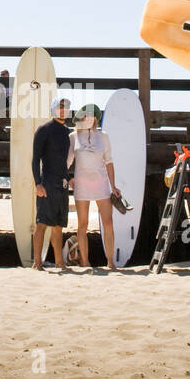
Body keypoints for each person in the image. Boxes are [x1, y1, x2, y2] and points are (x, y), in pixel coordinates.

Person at [68, 104, 121, 270]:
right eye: (86, 116)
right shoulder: (73, 137)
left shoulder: (103, 136)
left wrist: (113, 185)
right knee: (82, 225)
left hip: (101, 183)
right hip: (81, 184)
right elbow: (67, 162)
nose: (90, 119)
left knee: (108, 223)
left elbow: (109, 161)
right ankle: (85, 261)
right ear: (81, 118)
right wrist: (68, 178)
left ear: (96, 118)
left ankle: (110, 261)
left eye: (92, 116)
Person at [31, 98, 71, 270]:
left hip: (62, 185)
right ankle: (37, 262)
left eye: (66, 108)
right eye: (60, 107)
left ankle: (59, 263)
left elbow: (65, 161)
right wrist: (38, 184)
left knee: (58, 225)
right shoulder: (44, 130)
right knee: (41, 223)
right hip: (47, 182)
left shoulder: (67, 132)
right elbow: (35, 159)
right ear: (53, 109)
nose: (63, 110)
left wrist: (69, 178)